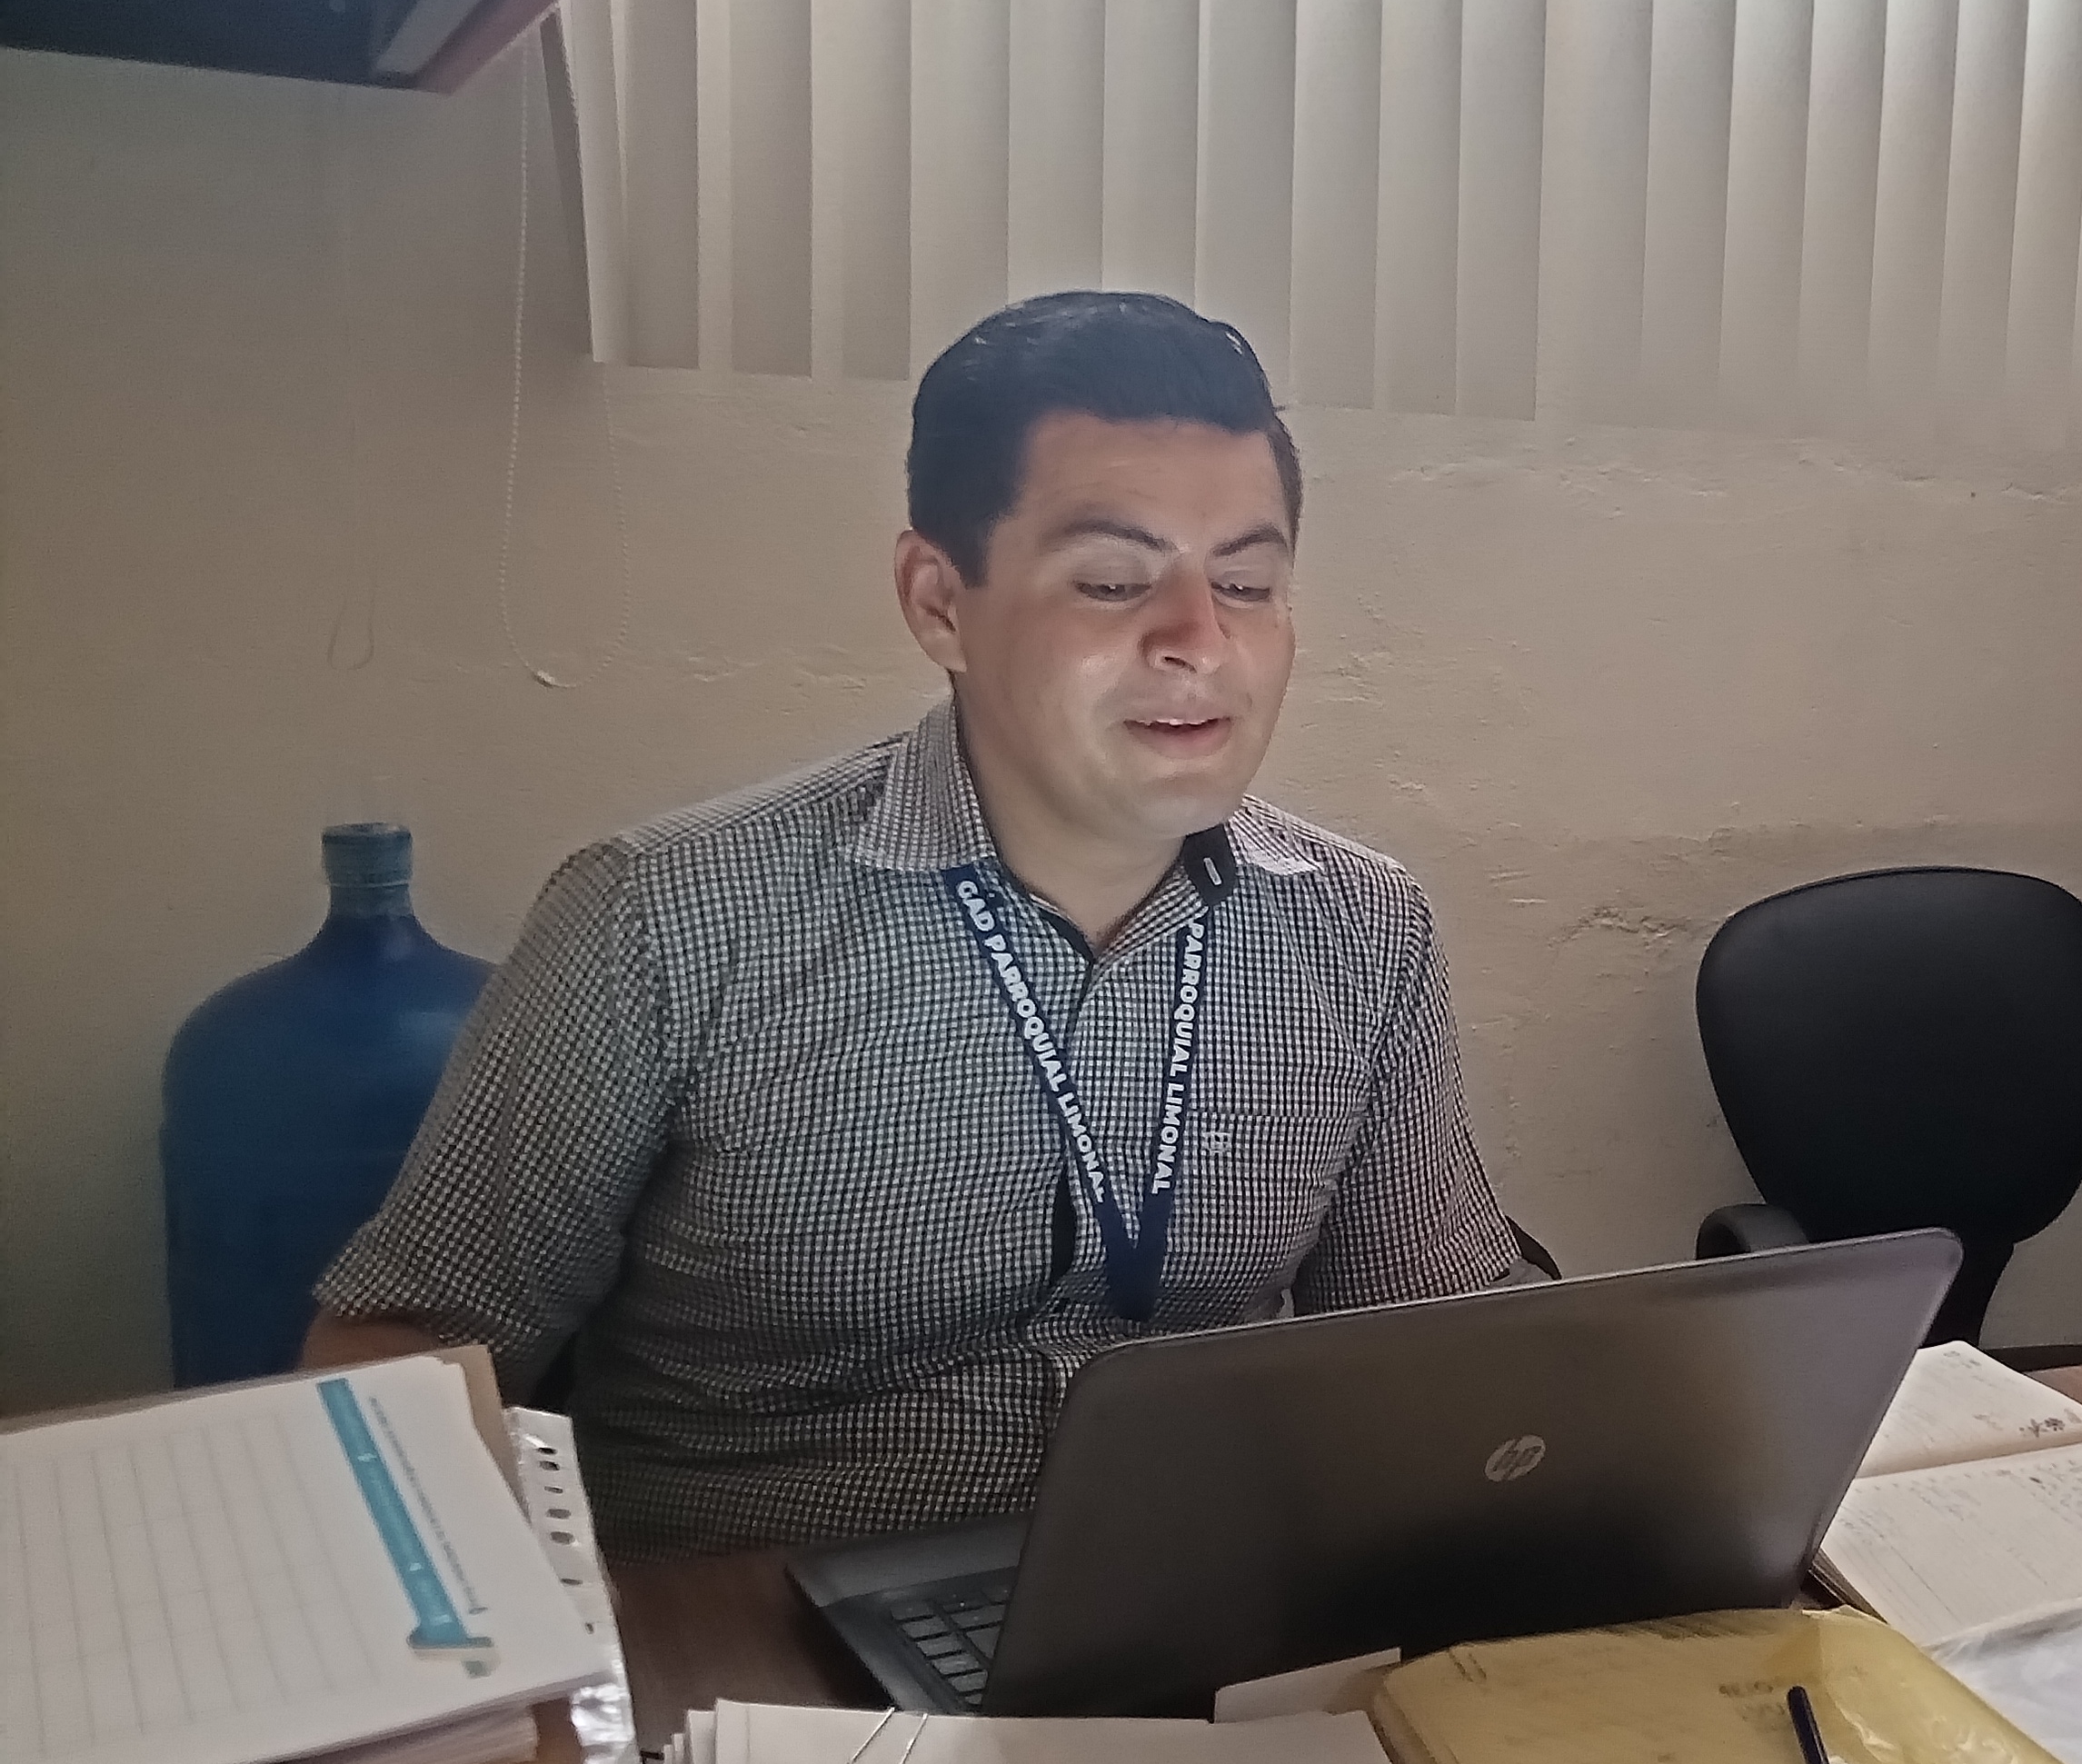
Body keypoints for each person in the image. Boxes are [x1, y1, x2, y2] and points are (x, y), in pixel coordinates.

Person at [307, 293, 1524, 1554]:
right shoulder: (662, 920)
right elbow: (403, 1342)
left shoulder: (1360, 929)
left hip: (1202, 1604)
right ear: (940, 601)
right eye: (1114, 582)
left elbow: (1434, 1335)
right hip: (757, 1620)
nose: (1198, 643)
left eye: (1247, 584)